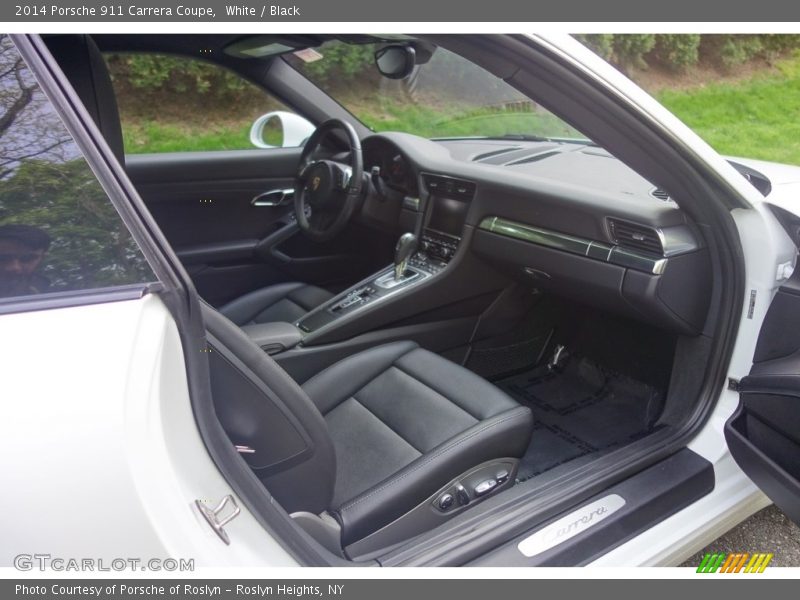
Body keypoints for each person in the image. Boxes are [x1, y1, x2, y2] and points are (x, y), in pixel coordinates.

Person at [0, 224, 51, 298]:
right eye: (2, 258)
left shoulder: (50, 288)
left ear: (42, 258)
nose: (14, 267)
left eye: (27, 259)